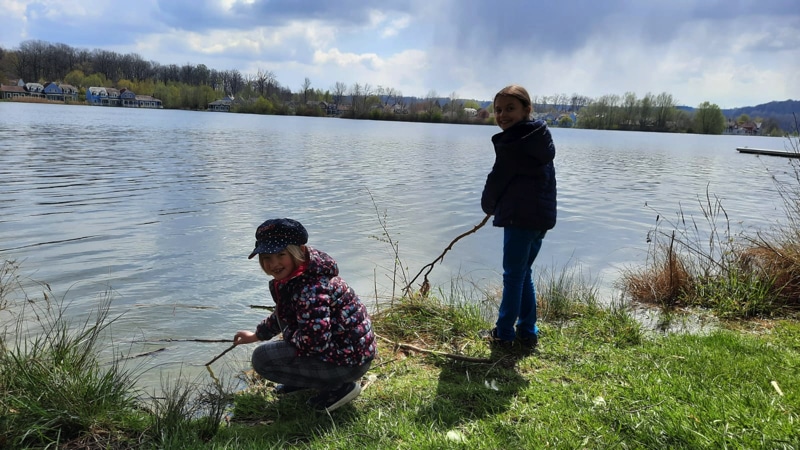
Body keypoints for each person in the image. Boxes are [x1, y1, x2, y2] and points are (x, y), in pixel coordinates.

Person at [233, 218, 376, 412]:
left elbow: (315, 342)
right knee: (272, 348)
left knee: (262, 359)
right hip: (347, 354)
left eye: (280, 254)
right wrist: (256, 335)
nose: (273, 264)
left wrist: (289, 334)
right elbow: (283, 314)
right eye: (266, 257)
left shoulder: (311, 288)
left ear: (298, 251)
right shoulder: (298, 276)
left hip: (349, 363)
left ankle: (341, 387)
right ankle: (307, 380)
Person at [480, 85, 557, 349]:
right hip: (540, 219)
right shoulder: (538, 137)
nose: (502, 115)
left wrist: (488, 205)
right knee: (523, 273)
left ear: (527, 109)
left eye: (510, 109)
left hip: (519, 218)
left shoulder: (515, 141)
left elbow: (497, 179)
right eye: (498, 110)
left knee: (513, 276)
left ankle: (503, 333)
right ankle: (528, 331)